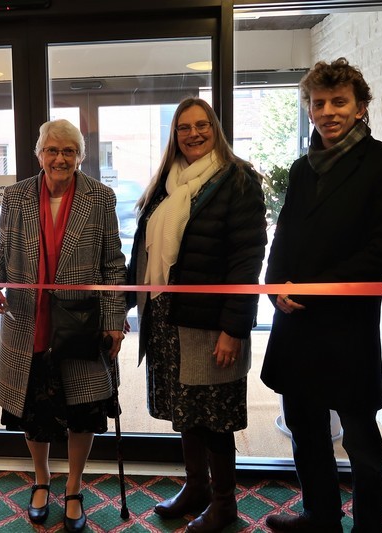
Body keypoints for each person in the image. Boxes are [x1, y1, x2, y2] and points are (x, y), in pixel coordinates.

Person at [261, 58, 382, 533]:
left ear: (361, 106)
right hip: (296, 322)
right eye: (318, 102)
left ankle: (369, 527)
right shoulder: (301, 167)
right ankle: (319, 516)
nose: (327, 111)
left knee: (362, 440)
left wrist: (315, 290)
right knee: (305, 431)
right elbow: (283, 236)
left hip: (347, 323)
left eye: (339, 101)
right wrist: (274, 286)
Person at [0, 119, 127, 532]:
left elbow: (114, 264)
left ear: (80, 155)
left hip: (82, 324)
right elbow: (3, 249)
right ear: (38, 154)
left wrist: (116, 319)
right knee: (34, 411)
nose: (59, 158)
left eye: (69, 151)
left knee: (83, 408)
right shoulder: (17, 196)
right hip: (29, 320)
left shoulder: (100, 197)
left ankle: (75, 485)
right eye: (51, 150)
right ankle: (42, 479)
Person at [128, 97, 267, 532]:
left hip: (210, 322)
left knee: (215, 415)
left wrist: (233, 328)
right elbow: (144, 247)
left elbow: (248, 260)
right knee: (186, 411)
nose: (193, 133)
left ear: (216, 129)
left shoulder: (237, 179)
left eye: (202, 125)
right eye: (184, 127)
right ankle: (196, 488)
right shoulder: (165, 184)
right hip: (168, 317)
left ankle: (225, 504)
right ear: (175, 134)